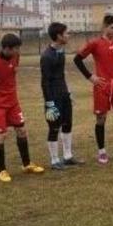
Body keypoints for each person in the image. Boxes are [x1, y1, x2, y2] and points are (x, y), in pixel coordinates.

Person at [0, 33, 45, 182]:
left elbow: (12, 69)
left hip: (13, 103)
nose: (18, 51)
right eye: (15, 48)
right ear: (6, 48)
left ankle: (27, 164)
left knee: (22, 130)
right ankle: (2, 171)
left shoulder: (15, 57)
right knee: (1, 136)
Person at [74, 15, 113, 164]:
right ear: (104, 27)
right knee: (101, 119)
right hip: (101, 86)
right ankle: (101, 152)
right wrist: (91, 77)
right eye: (112, 28)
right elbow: (77, 59)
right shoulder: (95, 43)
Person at [40, 22, 81, 169]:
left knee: (67, 124)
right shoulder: (46, 56)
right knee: (54, 127)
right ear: (58, 36)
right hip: (53, 97)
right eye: (66, 33)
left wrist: (68, 92)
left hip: (64, 95)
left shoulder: (61, 51)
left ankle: (68, 156)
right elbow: (45, 82)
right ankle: (54, 160)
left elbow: (61, 75)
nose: (68, 35)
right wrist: (49, 104)